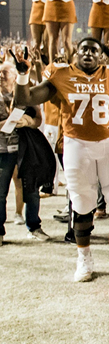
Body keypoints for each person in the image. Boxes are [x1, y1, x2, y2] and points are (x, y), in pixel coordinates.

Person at [12, 38, 109, 281]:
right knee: (81, 204)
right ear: (76, 53)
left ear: (101, 56)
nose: (88, 53)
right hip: (77, 144)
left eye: (94, 50)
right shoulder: (62, 74)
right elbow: (25, 99)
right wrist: (23, 75)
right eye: (84, 49)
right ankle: (84, 259)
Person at [0, 63, 47, 245]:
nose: (1, 76)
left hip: (25, 148)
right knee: (1, 192)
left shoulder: (26, 92)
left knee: (32, 189)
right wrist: (7, 123)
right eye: (0, 72)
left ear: (15, 76)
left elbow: (38, 119)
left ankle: (34, 226)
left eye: (5, 72)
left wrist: (27, 121)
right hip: (3, 150)